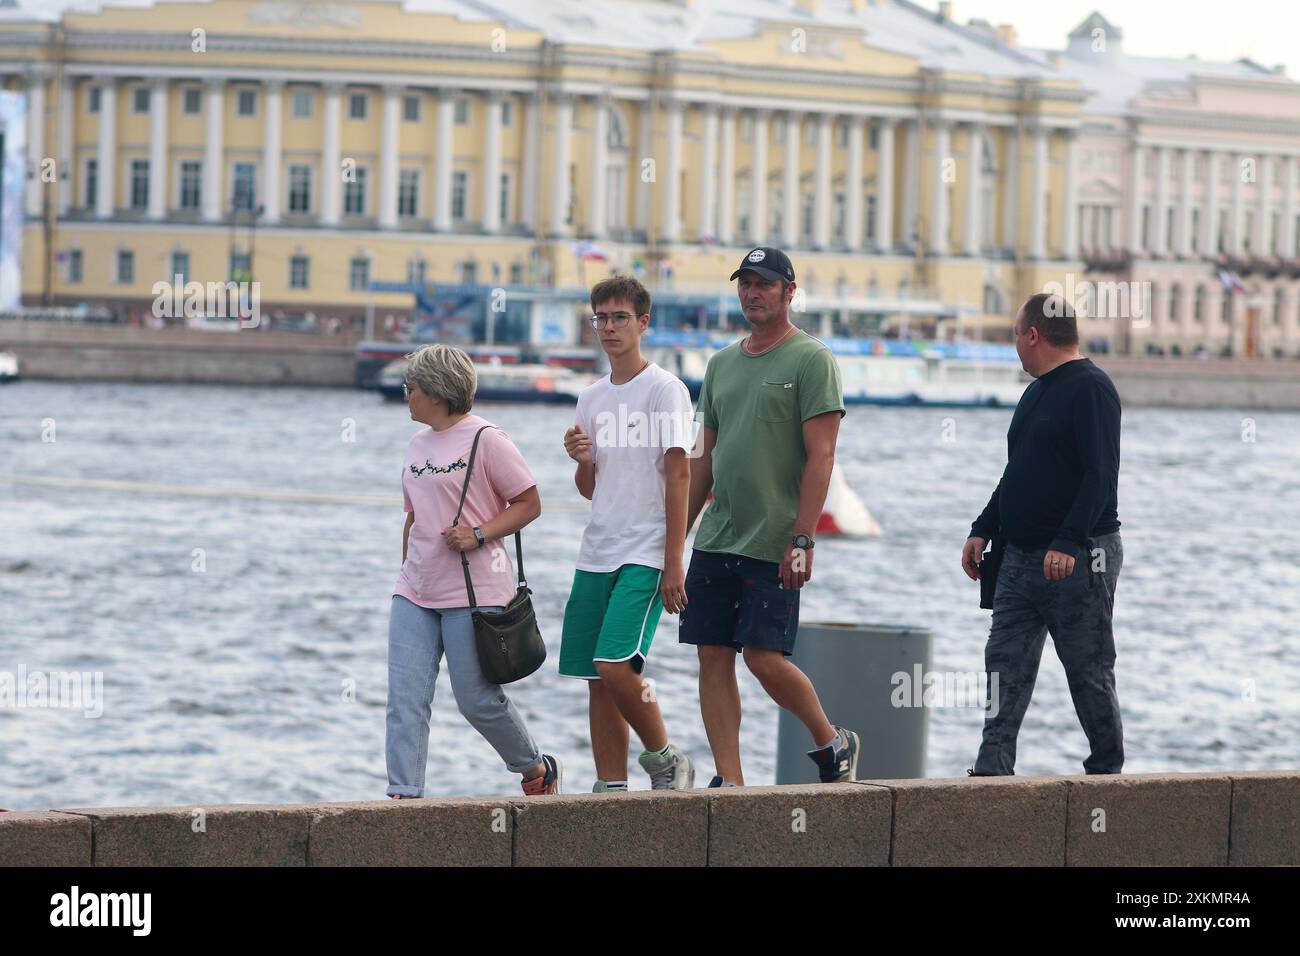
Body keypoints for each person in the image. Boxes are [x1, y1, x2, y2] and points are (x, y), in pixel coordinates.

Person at [681, 247, 859, 787]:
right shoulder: (720, 364)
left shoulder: (812, 359)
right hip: (717, 537)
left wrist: (802, 537)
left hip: (776, 538)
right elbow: (703, 459)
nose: (752, 293)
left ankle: (832, 742)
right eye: (745, 283)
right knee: (712, 655)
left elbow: (822, 456)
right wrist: (673, 543)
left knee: (763, 658)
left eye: (764, 284)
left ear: (789, 290)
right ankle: (730, 781)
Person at [386, 344, 561, 798]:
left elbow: (529, 503)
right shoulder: (416, 444)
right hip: (415, 591)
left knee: (477, 701)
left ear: (438, 393)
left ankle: (536, 768)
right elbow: (414, 515)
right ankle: (403, 795)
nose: (407, 394)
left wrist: (479, 534)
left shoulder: (488, 439)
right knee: (405, 701)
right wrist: (407, 564)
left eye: (412, 387)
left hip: (475, 593)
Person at [962, 292, 1124, 776]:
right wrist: (982, 529)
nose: (1015, 346)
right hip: (1018, 558)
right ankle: (992, 771)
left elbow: (1101, 475)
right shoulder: (1036, 391)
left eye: (1015, 335)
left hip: (1080, 557)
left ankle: (1106, 771)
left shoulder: (1092, 388)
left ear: (1033, 334)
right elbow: (1018, 474)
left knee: (1088, 669)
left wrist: (1068, 542)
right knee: (1003, 667)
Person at [560, 276, 696, 792]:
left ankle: (665, 759)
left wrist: (673, 561)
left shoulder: (666, 390)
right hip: (596, 549)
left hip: (646, 550)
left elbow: (681, 476)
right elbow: (589, 488)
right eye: (601, 317)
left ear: (643, 322)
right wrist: (582, 460)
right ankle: (610, 787)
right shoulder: (591, 397)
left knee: (614, 665)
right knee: (597, 681)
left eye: (619, 317)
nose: (609, 327)